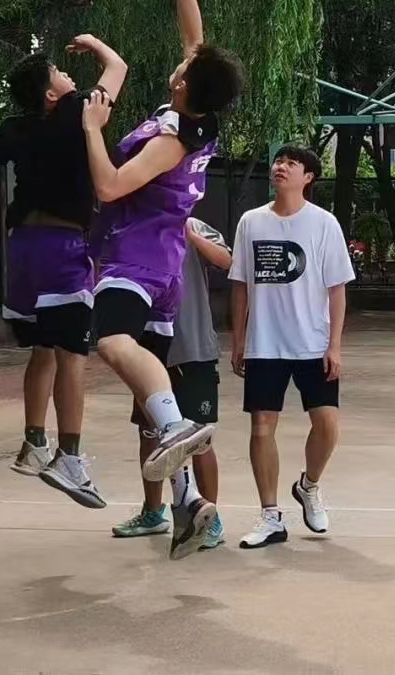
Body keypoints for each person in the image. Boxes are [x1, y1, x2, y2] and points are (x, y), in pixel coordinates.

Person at [83, 0, 244, 560]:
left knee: (111, 341)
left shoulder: (172, 140)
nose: (184, 58)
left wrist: (93, 128)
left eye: (184, 67)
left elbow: (110, 187)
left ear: (183, 85)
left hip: (139, 256)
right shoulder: (195, 115)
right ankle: (189, 502)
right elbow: (194, 37)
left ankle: (178, 428)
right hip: (165, 265)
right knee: (144, 388)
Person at [0, 35, 127, 507]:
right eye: (58, 73)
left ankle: (33, 442)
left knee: (43, 350)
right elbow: (118, 68)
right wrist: (95, 44)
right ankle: (70, 457)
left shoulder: (15, 128)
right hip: (63, 248)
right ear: (51, 93)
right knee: (73, 355)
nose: (66, 74)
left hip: (22, 248)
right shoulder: (79, 110)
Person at [230, 144, 355, 549]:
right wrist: (239, 340)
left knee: (327, 425)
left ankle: (309, 486)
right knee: (261, 428)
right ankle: (270, 516)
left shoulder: (324, 223)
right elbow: (240, 286)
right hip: (264, 344)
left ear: (308, 177)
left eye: (291, 163)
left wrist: (334, 346)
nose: (280, 167)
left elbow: (337, 290)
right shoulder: (251, 222)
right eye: (278, 161)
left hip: (312, 344)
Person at [112, 216, 230, 549]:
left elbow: (227, 260)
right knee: (149, 432)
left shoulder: (191, 224)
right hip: (148, 350)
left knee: (198, 437)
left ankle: (210, 519)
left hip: (192, 349)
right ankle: (153, 513)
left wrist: (191, 235)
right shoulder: (129, 228)